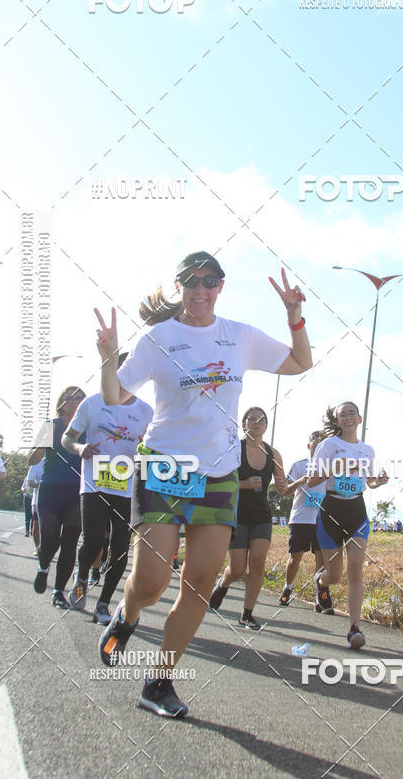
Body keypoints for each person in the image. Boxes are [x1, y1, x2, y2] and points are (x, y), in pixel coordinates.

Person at [95, 252, 311, 718]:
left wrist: (295, 317)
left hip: (218, 473)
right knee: (151, 583)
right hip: (164, 467)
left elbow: (300, 362)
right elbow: (115, 395)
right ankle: (127, 614)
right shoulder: (159, 338)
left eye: (210, 281)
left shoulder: (240, 336)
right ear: (179, 286)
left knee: (198, 584)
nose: (201, 289)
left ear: (221, 287)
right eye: (192, 281)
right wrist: (109, 358)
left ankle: (158, 682)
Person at [62, 358, 153, 624]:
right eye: (120, 371)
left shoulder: (146, 411)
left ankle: (103, 604)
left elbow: (153, 448)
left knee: (121, 547)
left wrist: (146, 449)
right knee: (93, 542)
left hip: (126, 487)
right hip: (94, 484)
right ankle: (81, 578)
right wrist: (80, 448)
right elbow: (67, 437)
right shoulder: (92, 403)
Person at [307, 401, 387, 649]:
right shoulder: (328, 446)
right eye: (343, 414)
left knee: (355, 569)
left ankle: (354, 628)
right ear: (338, 420)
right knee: (335, 575)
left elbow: (369, 482)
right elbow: (311, 481)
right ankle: (321, 582)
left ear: (359, 419)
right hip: (332, 510)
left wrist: (379, 481)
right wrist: (332, 468)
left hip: (356, 510)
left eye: (352, 413)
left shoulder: (367, 450)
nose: (348, 417)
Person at [209, 406, 287, 630]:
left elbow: (283, 489)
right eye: (252, 419)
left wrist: (287, 485)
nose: (256, 423)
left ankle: (247, 614)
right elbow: (218, 479)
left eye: (261, 420)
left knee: (258, 562)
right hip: (236, 514)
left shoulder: (273, 454)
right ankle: (223, 583)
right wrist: (243, 484)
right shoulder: (234, 448)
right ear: (243, 424)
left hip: (261, 515)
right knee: (237, 569)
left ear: (266, 426)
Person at [28, 386, 86, 608]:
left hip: (77, 491)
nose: (74, 401)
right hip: (51, 489)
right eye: (69, 398)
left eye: (79, 398)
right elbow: (32, 459)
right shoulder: (51, 425)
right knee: (50, 540)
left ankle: (58, 592)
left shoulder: (87, 427)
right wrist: (44, 443)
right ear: (61, 402)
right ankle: (43, 568)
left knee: (70, 543)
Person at [276, 430, 326, 611]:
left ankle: (320, 596)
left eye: (322, 446)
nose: (318, 449)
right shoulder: (299, 466)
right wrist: (300, 481)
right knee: (294, 558)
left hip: (322, 520)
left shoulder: (331, 469)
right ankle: (288, 587)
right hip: (300, 519)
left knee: (321, 559)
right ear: (309, 446)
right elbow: (284, 491)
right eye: (316, 445)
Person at [25, 458, 44, 555]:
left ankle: (46, 548)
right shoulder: (37, 463)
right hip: (37, 500)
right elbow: (30, 481)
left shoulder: (59, 462)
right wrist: (40, 485)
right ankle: (38, 547)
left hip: (54, 500)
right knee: (36, 525)